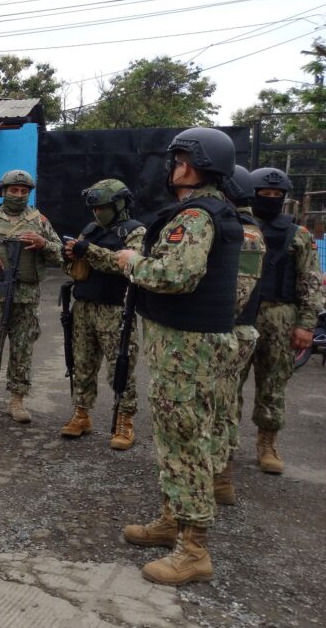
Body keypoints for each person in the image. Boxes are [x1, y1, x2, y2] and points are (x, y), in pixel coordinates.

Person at [117, 127, 242, 586]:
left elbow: (175, 275)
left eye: (177, 160)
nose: (172, 168)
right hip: (187, 348)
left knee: (186, 445)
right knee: (175, 441)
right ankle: (172, 521)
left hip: (186, 353)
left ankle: (193, 551)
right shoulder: (213, 210)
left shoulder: (196, 215)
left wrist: (132, 261)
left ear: (189, 164)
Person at [0, 170, 63, 424]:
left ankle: (17, 400)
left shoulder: (39, 221)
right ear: (3, 191)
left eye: (24, 191)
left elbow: (61, 253)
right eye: (13, 190)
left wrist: (43, 243)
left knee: (22, 350)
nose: (18, 195)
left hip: (26, 298)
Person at [238, 167, 324, 474]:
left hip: (281, 315)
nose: (271, 199)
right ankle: (225, 443)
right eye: (265, 195)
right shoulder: (239, 226)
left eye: (277, 196)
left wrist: (306, 324)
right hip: (241, 312)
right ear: (252, 194)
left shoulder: (298, 234)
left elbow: (310, 280)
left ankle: (267, 444)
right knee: (229, 382)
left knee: (273, 384)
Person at [60, 179, 146, 449]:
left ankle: (124, 420)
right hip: (84, 305)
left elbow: (125, 264)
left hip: (115, 309)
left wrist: (88, 251)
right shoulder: (90, 230)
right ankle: (81, 414)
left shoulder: (135, 232)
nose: (97, 213)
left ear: (119, 204)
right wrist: (70, 255)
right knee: (82, 363)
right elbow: (76, 264)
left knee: (120, 367)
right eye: (94, 208)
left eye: (103, 207)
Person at [211, 165, 265, 505]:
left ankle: (220, 479)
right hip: (224, 329)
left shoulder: (245, 234)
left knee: (221, 406)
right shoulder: (230, 226)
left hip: (231, 331)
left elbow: (236, 296)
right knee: (221, 403)